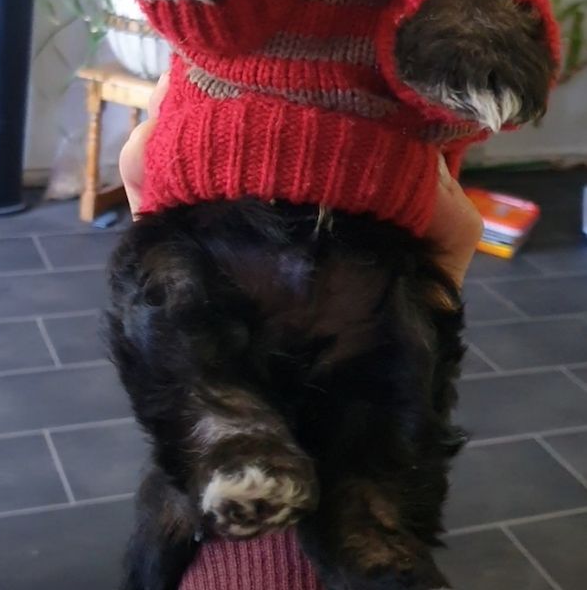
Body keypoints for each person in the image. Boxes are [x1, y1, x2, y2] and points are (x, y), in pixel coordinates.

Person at [119, 73, 484, 590]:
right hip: (362, 279)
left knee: (209, 392)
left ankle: (228, 444)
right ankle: (359, 520)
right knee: (365, 468)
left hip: (260, 260)